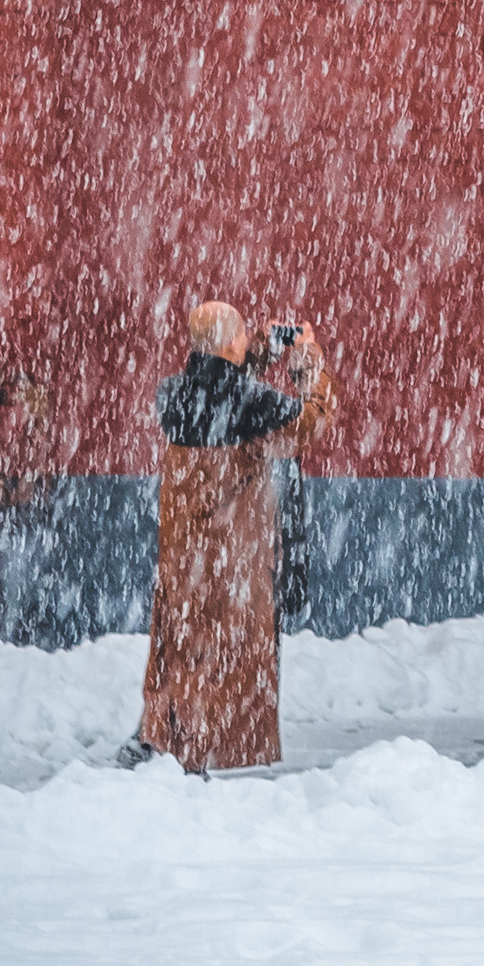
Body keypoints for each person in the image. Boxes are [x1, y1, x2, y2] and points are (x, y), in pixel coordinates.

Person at [127, 301, 338, 773]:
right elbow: (312, 421)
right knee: (232, 664)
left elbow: (220, 384)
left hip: (185, 563)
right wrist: (307, 360)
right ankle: (215, 753)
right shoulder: (253, 404)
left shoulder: (172, 396)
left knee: (180, 656)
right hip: (233, 565)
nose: (246, 344)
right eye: (240, 337)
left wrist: (257, 349)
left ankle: (166, 740)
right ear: (228, 345)